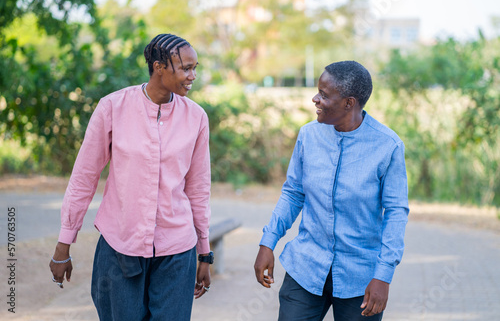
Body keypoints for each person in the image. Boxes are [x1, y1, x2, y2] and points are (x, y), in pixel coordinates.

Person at [49, 33, 214, 320]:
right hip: (120, 247)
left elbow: (198, 189)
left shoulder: (196, 118)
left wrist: (204, 252)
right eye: (186, 68)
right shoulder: (112, 107)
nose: (193, 75)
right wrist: (64, 245)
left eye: (194, 67)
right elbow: (83, 178)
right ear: (159, 67)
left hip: (176, 252)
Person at [254, 61, 409, 321]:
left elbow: (396, 213)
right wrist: (268, 242)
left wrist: (383, 275)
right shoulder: (308, 136)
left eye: (324, 95)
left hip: (360, 278)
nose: (315, 99)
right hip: (306, 267)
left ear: (349, 103)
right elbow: (293, 193)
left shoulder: (388, 146)